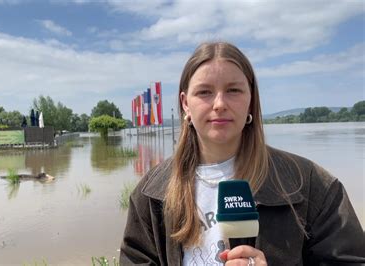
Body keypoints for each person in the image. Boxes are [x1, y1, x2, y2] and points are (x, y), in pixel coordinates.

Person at [120, 42, 365, 265]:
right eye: (204, 92)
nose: (219, 104)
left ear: (251, 99)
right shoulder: (150, 193)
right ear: (185, 103)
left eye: (233, 90)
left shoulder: (309, 183)